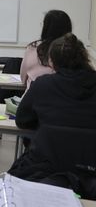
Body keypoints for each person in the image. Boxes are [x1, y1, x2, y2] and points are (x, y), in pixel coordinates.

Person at [8, 33, 96, 199]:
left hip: (49, 169)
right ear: (84, 58)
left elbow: (22, 119)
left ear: (52, 62)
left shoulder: (44, 84)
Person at [20, 9, 72, 91]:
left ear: (46, 28)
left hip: (34, 99)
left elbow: (23, 79)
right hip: (64, 99)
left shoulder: (33, 48)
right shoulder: (73, 51)